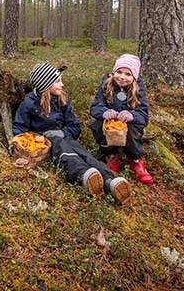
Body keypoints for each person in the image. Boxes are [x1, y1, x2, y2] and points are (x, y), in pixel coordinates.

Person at [13, 63, 131, 205]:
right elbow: (20, 128)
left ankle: (110, 180)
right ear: (45, 85)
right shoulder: (29, 103)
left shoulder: (61, 99)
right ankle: (84, 175)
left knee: (82, 152)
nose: (62, 85)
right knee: (65, 152)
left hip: (65, 137)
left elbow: (74, 126)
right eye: (57, 81)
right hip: (46, 143)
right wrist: (18, 147)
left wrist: (62, 133)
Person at [89, 54, 153, 184]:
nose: (122, 77)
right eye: (119, 72)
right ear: (114, 72)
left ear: (134, 76)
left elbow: (143, 114)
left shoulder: (138, 89)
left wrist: (132, 115)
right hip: (110, 123)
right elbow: (95, 106)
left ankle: (135, 159)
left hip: (128, 124)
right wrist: (104, 112)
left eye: (128, 74)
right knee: (98, 125)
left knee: (133, 129)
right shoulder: (106, 85)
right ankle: (110, 154)